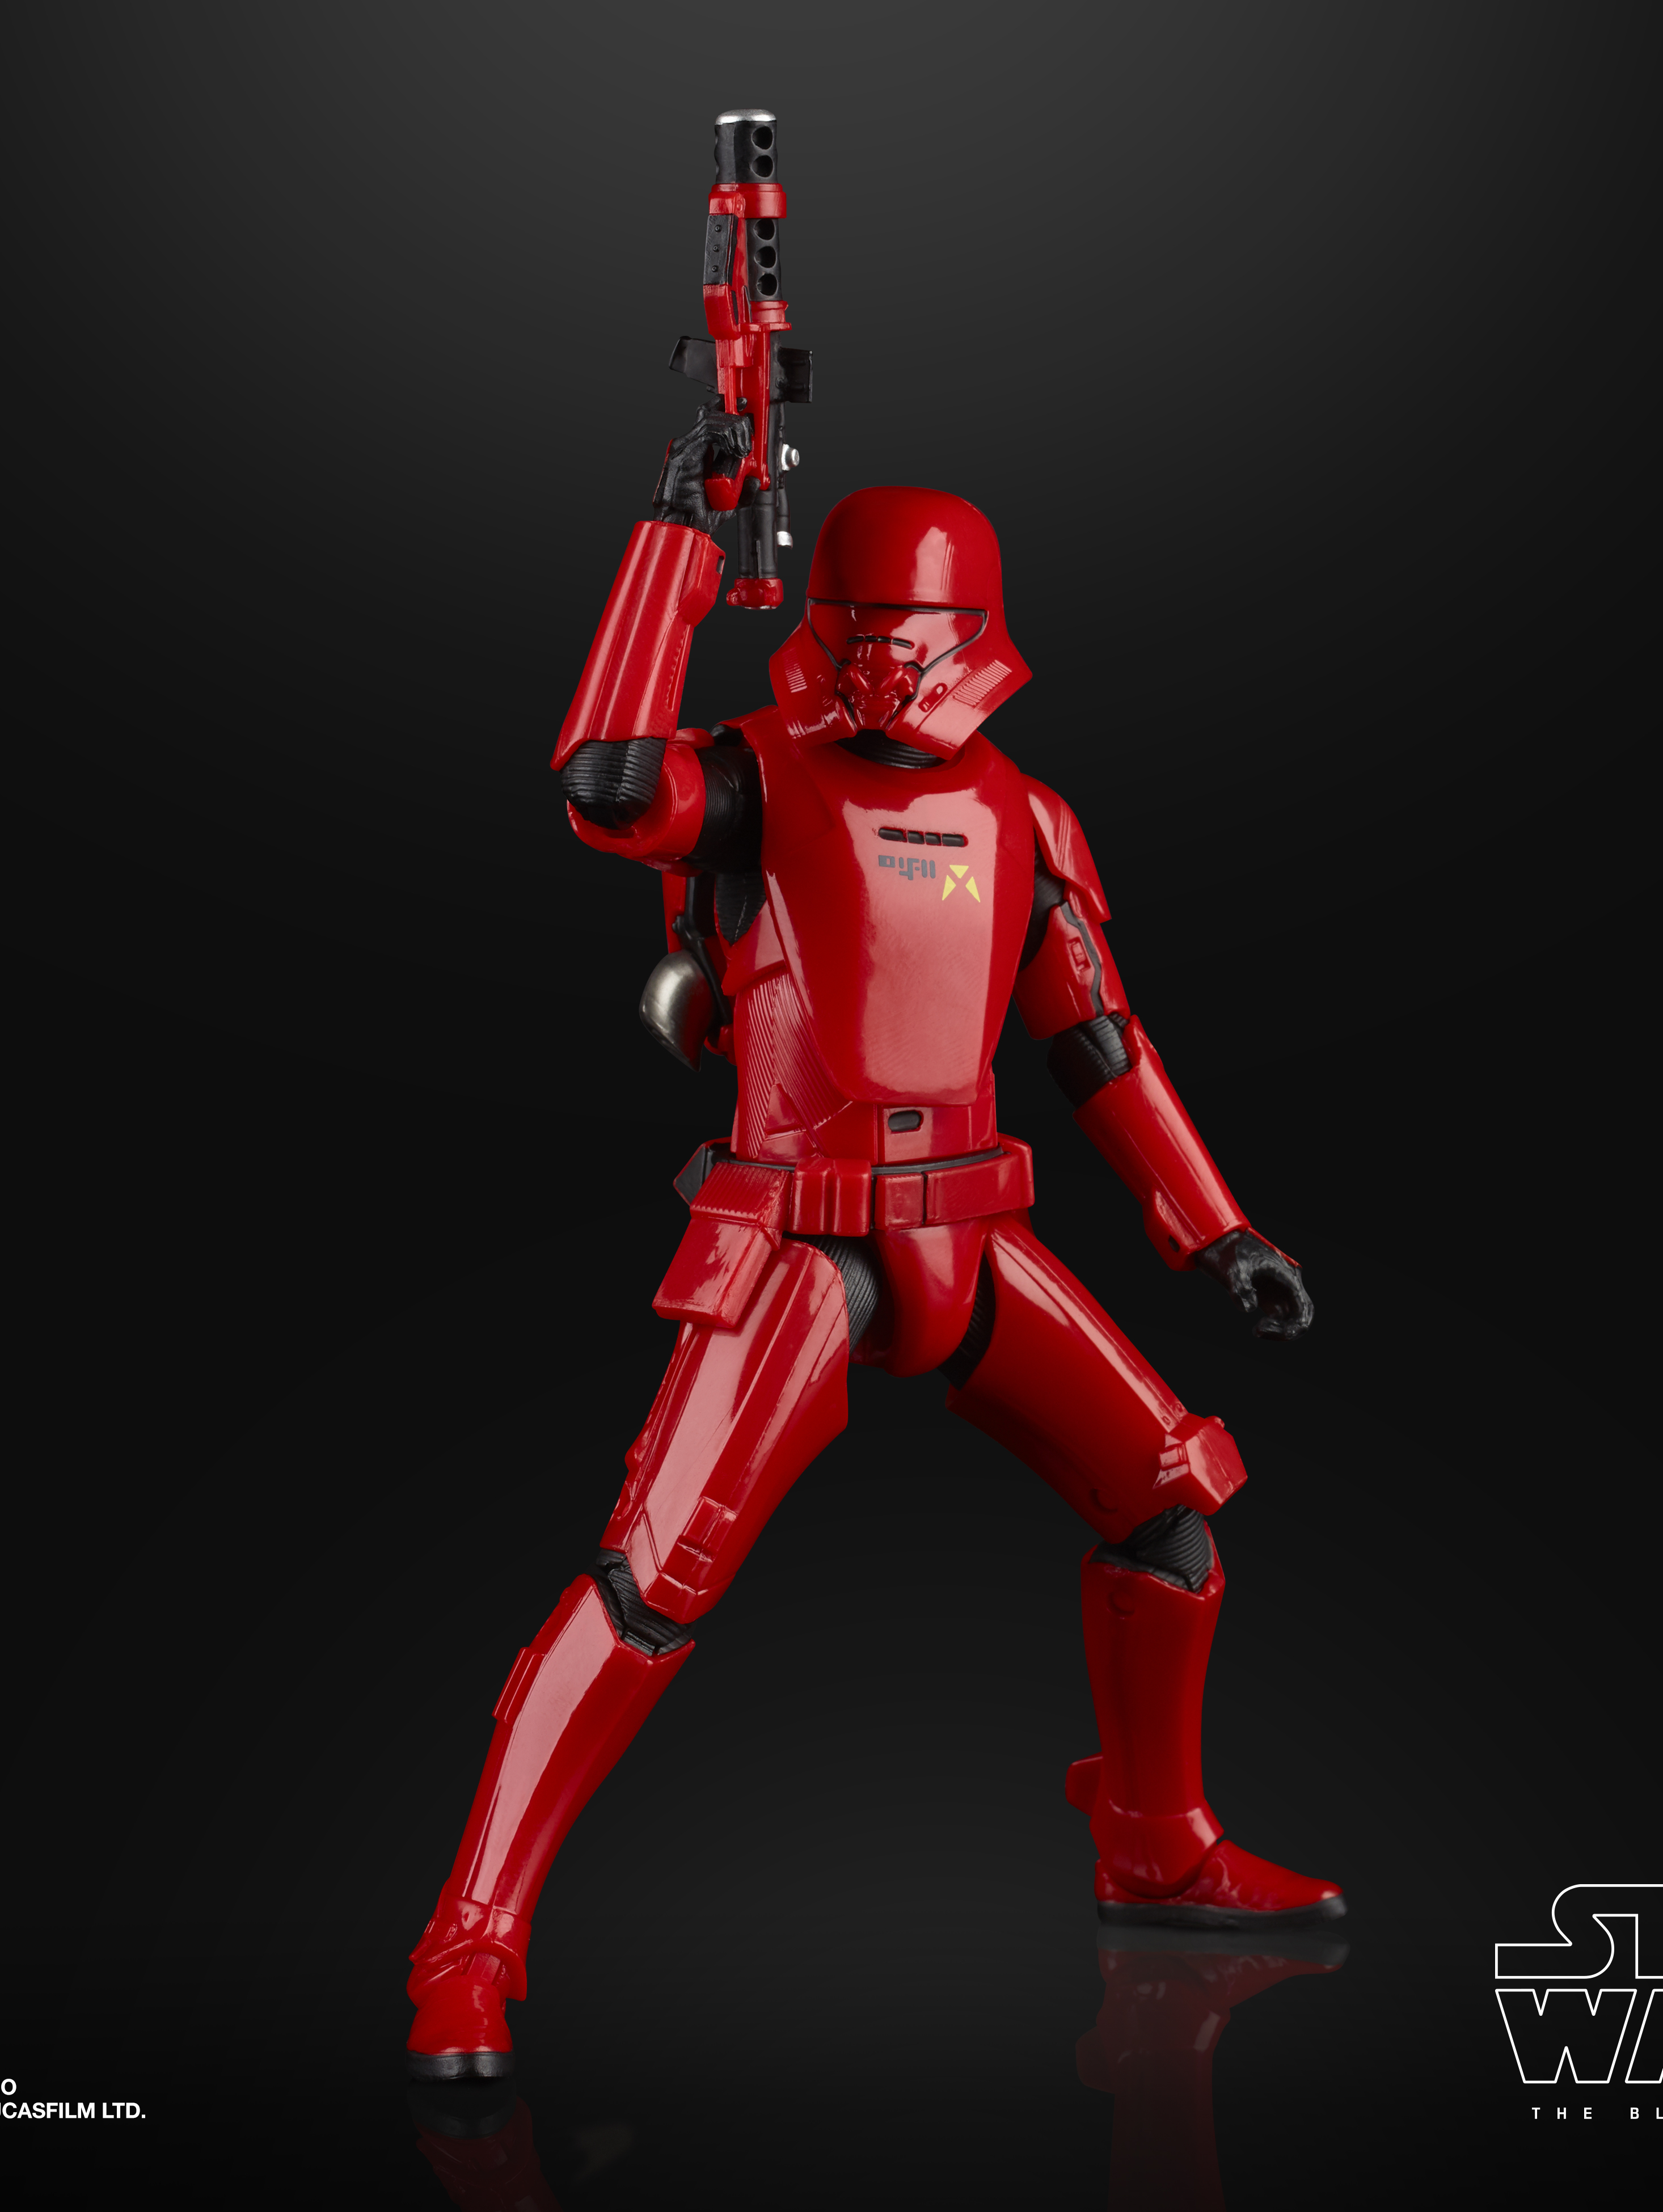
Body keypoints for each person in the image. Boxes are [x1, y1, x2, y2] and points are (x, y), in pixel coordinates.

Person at [405, 413, 1342, 2081]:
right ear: (825, 625)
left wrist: (1217, 1230)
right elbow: (607, 782)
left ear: (975, 635)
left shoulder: (1023, 814)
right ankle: (467, 1945)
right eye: (868, 634)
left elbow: (1101, 1046)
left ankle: (1155, 1844)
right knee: (644, 1592)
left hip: (971, 1236)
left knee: (1171, 1511)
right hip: (794, 1242)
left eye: (915, 637)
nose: (892, 671)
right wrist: (676, 538)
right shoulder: (754, 778)